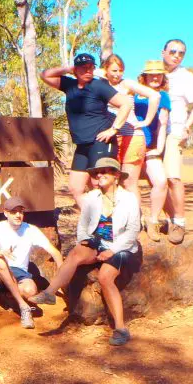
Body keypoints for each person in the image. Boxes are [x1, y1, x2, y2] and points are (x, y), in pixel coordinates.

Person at [30, 157, 140, 346]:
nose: (99, 175)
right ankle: (49, 293)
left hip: (121, 246)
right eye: (97, 172)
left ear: (116, 176)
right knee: (75, 253)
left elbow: (132, 231)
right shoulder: (92, 197)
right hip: (98, 242)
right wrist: (85, 241)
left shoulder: (129, 199)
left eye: (105, 171)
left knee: (106, 277)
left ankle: (121, 328)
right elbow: (83, 225)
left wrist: (112, 251)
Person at [40, 53, 133, 208]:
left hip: (101, 142)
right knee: (75, 188)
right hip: (82, 145)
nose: (88, 70)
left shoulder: (98, 86)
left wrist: (113, 129)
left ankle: (111, 222)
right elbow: (45, 75)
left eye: (91, 67)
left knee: (101, 184)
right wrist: (68, 68)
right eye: (84, 68)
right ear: (76, 70)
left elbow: (126, 104)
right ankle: (94, 220)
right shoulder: (69, 85)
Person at [0, 197, 63, 329]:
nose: (18, 215)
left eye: (21, 211)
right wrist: (2, 252)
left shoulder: (30, 229)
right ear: (5, 213)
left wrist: (62, 277)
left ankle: (10, 294)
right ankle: (23, 306)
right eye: (14, 212)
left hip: (19, 272)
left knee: (31, 291)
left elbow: (54, 252)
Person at [161, 39, 193, 243]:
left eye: (181, 53)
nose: (177, 55)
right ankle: (169, 220)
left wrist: (187, 125)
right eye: (173, 51)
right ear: (163, 52)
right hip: (153, 132)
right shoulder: (153, 73)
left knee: (172, 177)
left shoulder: (186, 77)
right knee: (156, 180)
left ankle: (179, 222)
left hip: (174, 131)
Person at [100, 54, 160, 199]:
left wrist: (146, 121)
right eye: (114, 70)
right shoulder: (100, 84)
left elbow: (154, 96)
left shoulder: (126, 84)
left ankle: (135, 220)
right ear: (106, 69)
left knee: (128, 182)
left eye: (121, 70)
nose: (118, 74)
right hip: (111, 138)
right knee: (112, 182)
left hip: (132, 136)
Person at [134, 60, 171, 242]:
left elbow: (163, 124)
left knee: (161, 182)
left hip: (149, 147)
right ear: (145, 76)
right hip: (131, 144)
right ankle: (135, 220)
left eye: (159, 74)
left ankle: (153, 220)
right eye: (151, 74)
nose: (155, 77)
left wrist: (158, 149)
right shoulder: (133, 93)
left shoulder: (163, 96)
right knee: (128, 184)